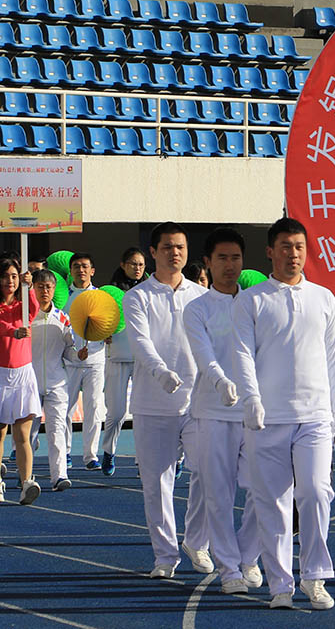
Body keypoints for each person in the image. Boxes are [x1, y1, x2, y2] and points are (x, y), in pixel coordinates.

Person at [231, 217, 335, 610]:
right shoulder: (252, 300)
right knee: (273, 503)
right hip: (268, 419)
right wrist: (252, 399)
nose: (292, 254)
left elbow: (334, 358)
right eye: (285, 246)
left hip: (314, 416)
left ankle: (315, 576)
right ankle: (281, 584)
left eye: (299, 247)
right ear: (270, 251)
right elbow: (242, 355)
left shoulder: (324, 298)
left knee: (315, 493)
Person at [125, 222, 212, 578]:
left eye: (180, 247)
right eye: (167, 247)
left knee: (209, 472)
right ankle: (164, 556)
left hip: (198, 403)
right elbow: (140, 342)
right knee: (157, 484)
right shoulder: (138, 297)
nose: (174, 253)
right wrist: (160, 372)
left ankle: (197, 541)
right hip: (152, 404)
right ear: (153, 252)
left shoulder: (201, 297)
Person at [184, 228, 263, 594]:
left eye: (236, 258)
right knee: (218, 494)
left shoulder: (256, 304)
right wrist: (219, 381)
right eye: (222, 258)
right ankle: (229, 569)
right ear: (208, 262)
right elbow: (203, 354)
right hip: (213, 412)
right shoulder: (197, 308)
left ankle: (249, 557)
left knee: (263, 489)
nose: (230, 265)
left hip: (254, 412)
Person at [100, 247, 147, 476]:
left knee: (143, 413)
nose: (137, 268)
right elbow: (96, 319)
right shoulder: (109, 292)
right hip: (117, 356)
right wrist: (102, 332)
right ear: (123, 265)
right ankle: (109, 451)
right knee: (116, 413)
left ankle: (143, 460)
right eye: (133, 264)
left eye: (141, 264)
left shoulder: (150, 290)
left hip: (143, 359)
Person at [0, 258, 41, 504]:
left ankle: (26, 483)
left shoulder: (22, 305)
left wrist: (30, 286)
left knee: (23, 435)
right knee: (0, 433)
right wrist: (13, 332)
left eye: (14, 276)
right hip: (0, 375)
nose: (10, 281)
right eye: (6, 276)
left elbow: (34, 309)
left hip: (23, 374)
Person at [31, 269, 74, 492]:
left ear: (54, 288)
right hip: (30, 383)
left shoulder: (63, 318)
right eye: (40, 287)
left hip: (57, 382)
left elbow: (70, 352)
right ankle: (26, 474)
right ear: (33, 289)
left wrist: (79, 353)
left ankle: (59, 476)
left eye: (48, 287)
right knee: (29, 432)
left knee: (57, 429)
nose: (44, 291)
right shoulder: (26, 317)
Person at [63, 253, 107, 470]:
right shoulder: (63, 297)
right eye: (76, 266)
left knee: (94, 408)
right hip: (69, 362)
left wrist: (108, 334)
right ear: (71, 271)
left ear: (92, 271)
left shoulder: (101, 297)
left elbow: (109, 323)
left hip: (95, 360)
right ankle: (64, 452)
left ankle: (91, 456)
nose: (81, 270)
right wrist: (72, 351)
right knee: (65, 409)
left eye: (85, 266)